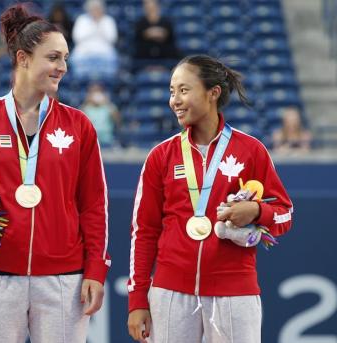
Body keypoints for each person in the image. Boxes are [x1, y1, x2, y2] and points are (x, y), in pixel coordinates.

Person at [0, 4, 110, 342]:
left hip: (64, 280)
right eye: (53, 57)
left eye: (65, 58)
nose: (62, 67)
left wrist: (96, 270)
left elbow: (94, 206)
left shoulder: (79, 126)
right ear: (23, 58)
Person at [127, 55, 293, 342]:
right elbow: (143, 233)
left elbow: (284, 214)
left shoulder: (251, 151)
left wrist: (255, 211)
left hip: (235, 292)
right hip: (170, 292)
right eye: (171, 91)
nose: (174, 100)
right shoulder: (161, 157)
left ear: (213, 93)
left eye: (184, 90)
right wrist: (138, 299)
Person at [70, 0, 118, 80]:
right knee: (76, 60)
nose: (95, 11)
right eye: (93, 9)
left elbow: (112, 39)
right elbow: (77, 38)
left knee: (112, 61)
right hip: (84, 51)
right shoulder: (82, 19)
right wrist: (93, 29)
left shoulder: (108, 20)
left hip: (104, 51)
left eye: (98, 9)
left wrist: (99, 25)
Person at [133, 0, 179, 70]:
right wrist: (148, 34)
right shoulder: (140, 23)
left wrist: (159, 34)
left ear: (157, 7)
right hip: (145, 59)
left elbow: (171, 40)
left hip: (164, 57)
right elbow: (137, 42)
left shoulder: (166, 22)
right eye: (147, 6)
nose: (150, 9)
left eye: (152, 6)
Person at [80, 82, 121, 147]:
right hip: (90, 141)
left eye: (98, 91)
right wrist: (86, 102)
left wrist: (107, 102)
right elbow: (78, 122)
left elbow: (118, 121)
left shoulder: (108, 107)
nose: (96, 95)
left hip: (107, 140)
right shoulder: (86, 107)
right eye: (93, 92)